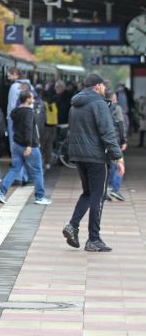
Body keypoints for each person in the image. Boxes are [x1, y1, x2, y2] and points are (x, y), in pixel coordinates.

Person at [62, 74, 124, 252]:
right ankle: (94, 239)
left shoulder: (75, 104)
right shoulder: (98, 103)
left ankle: (73, 226)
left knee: (88, 193)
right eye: (103, 86)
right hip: (96, 156)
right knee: (98, 197)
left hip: (79, 155)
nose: (105, 89)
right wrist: (118, 157)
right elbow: (107, 132)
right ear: (97, 86)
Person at [0, 90, 52, 205]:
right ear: (27, 99)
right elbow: (28, 129)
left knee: (15, 169)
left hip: (16, 145)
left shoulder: (15, 111)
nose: (33, 100)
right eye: (32, 98)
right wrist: (29, 145)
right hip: (29, 146)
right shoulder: (29, 112)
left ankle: (2, 191)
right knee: (38, 171)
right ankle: (39, 196)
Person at [105, 90, 127, 202]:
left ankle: (105, 191)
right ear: (113, 99)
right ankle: (115, 189)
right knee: (119, 165)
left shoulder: (101, 107)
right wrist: (123, 141)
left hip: (104, 141)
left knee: (108, 166)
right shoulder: (117, 108)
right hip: (115, 141)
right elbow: (121, 125)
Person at [41, 88, 58, 169]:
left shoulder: (43, 104)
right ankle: (48, 163)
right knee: (49, 146)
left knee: (42, 145)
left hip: (45, 127)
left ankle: (41, 161)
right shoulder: (53, 104)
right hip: (53, 127)